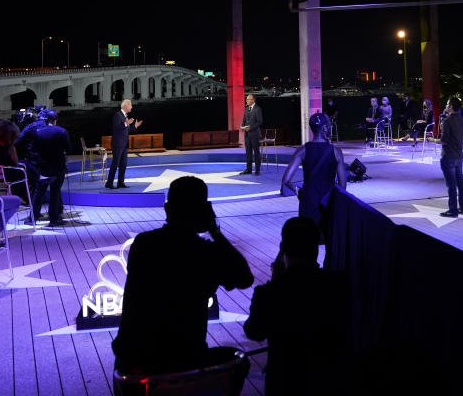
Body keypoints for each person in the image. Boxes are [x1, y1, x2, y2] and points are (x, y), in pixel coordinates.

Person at [112, 176, 253, 388]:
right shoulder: (206, 253)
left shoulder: (143, 245)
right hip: (185, 360)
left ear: (167, 209)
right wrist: (215, 230)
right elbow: (245, 278)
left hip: (133, 360)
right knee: (238, 361)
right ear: (205, 212)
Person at [244, 217, 351, 396]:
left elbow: (254, 331)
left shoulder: (269, 293)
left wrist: (275, 282)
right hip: (328, 380)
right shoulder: (338, 285)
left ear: (283, 249)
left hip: (284, 382)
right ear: (315, 249)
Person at [281, 113, 347, 226]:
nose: (330, 128)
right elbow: (342, 186)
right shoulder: (336, 152)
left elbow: (286, 180)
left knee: (309, 239)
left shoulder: (302, 151)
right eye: (329, 125)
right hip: (328, 201)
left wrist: (297, 191)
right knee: (329, 238)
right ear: (325, 128)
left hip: (308, 200)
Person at [24, 109, 72, 226]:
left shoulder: (38, 132)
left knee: (39, 192)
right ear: (55, 120)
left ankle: (32, 218)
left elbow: (33, 149)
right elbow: (69, 148)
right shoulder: (62, 132)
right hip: (58, 167)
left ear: (46, 120)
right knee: (55, 192)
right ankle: (54, 219)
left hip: (43, 167)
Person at [439, 97, 463, 218]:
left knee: (451, 184)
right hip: (459, 155)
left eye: (447, 104)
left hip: (448, 155)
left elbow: (444, 140)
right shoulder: (462, 120)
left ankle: (453, 210)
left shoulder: (447, 121)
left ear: (451, 106)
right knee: (460, 183)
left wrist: (433, 140)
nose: (446, 106)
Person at [106, 99, 143, 189]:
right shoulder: (117, 115)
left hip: (124, 144)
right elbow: (116, 127)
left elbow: (127, 130)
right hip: (117, 144)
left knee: (123, 164)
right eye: (130, 105)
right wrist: (125, 123)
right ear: (126, 106)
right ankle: (109, 183)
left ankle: (120, 182)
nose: (131, 107)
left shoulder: (125, 116)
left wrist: (135, 126)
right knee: (115, 163)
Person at [0, 119, 28, 203]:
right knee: (25, 171)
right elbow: (15, 162)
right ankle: (23, 197)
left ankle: (19, 197)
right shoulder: (10, 147)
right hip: (11, 175)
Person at [239, 94, 263, 175]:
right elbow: (244, 120)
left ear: (253, 100)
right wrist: (242, 127)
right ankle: (248, 169)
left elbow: (259, 122)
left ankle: (257, 169)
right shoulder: (246, 109)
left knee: (256, 152)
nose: (247, 101)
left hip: (255, 135)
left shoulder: (258, 109)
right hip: (247, 135)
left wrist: (250, 128)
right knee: (248, 152)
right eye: (246, 99)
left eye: (248, 99)